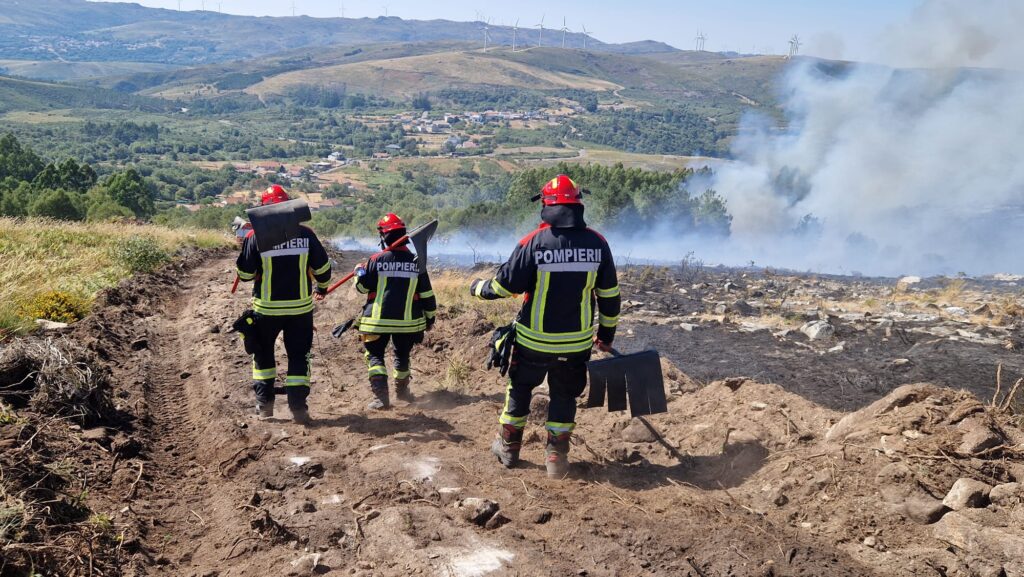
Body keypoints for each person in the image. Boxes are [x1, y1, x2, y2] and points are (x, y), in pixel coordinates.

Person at [470, 174, 620, 479]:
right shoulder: (598, 244)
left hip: (532, 343)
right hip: (576, 346)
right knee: (564, 396)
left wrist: (476, 287)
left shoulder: (533, 243)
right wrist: (605, 337)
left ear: (547, 206)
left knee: (520, 388)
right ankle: (555, 458)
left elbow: (503, 286)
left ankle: (509, 448)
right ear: (578, 204)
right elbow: (610, 297)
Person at [235, 184, 333, 424]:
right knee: (299, 357)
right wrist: (321, 287)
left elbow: (246, 276)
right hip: (300, 311)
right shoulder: (306, 234)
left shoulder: (253, 237)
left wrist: (245, 253)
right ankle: (299, 409)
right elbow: (323, 269)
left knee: (263, 356)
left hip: (265, 310)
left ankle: (264, 407)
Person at [354, 213, 437, 409]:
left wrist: (359, 271)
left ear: (383, 236)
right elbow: (426, 294)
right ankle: (402, 393)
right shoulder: (417, 262)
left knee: (375, 356)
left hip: (376, 322)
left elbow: (362, 288)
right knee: (402, 356)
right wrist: (430, 318)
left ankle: (381, 399)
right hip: (408, 324)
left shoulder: (375, 260)